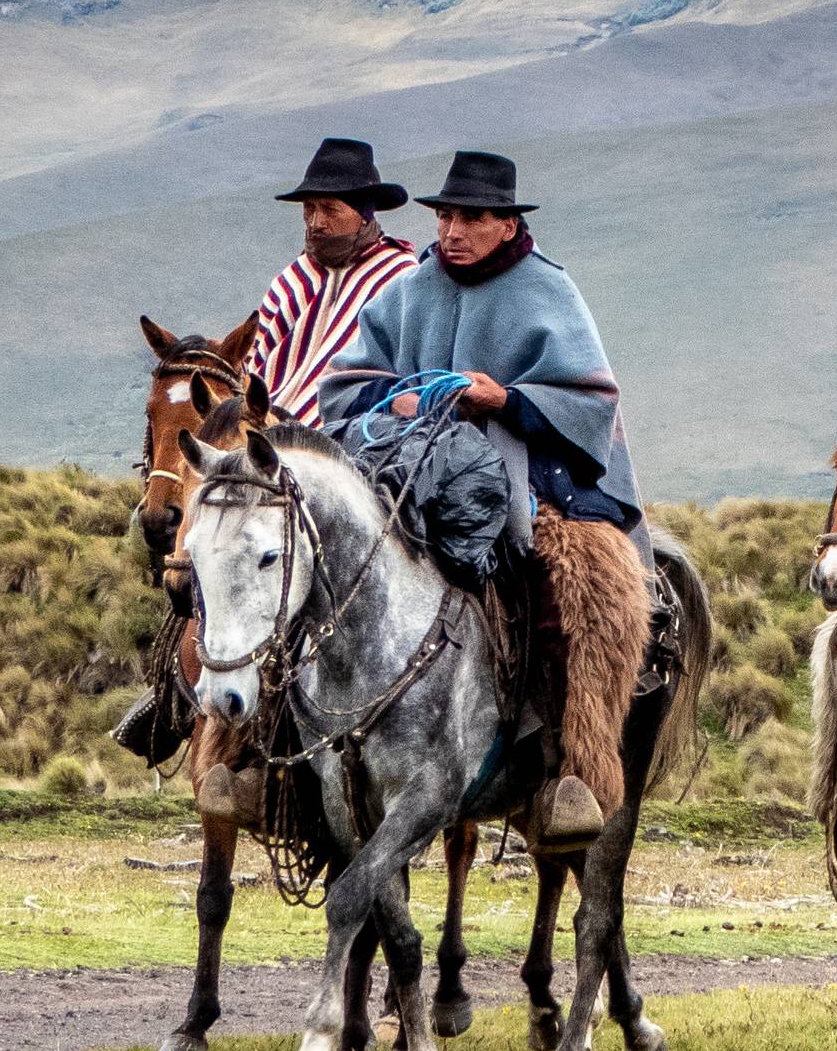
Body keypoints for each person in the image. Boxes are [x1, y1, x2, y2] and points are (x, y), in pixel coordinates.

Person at [320, 150, 648, 850]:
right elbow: (346, 388)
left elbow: (592, 400)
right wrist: (395, 396)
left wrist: (507, 398)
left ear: (506, 224)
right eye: (445, 217)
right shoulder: (410, 290)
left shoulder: (548, 290)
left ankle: (569, 769)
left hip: (532, 473)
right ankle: (273, 760)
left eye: (470, 217)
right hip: (409, 468)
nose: (452, 231)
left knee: (575, 587)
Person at [251, 138, 417, 426]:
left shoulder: (399, 276)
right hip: (263, 427)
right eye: (309, 208)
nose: (315, 222)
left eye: (330, 209)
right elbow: (255, 362)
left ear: (364, 215)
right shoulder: (294, 279)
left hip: (357, 430)